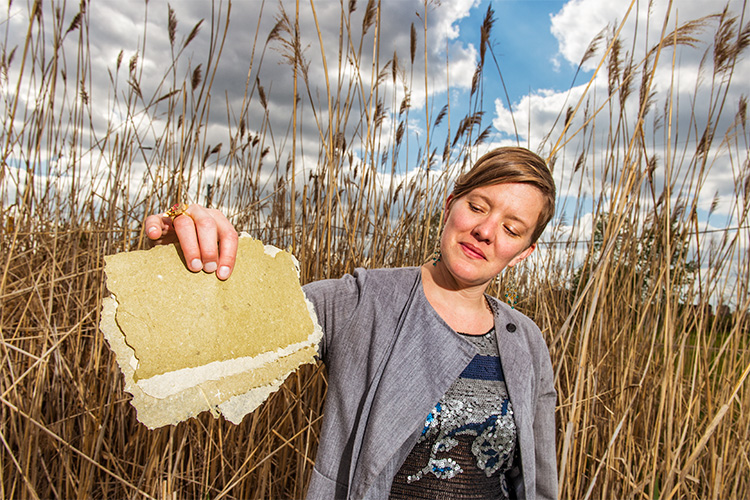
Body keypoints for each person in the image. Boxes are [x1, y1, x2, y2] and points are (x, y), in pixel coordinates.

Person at [144, 146, 558, 500]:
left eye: (511, 228)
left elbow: (536, 482)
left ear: (524, 251)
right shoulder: (362, 301)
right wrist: (185, 259)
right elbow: (227, 328)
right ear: (450, 205)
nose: (485, 230)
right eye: (477, 206)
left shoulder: (525, 341)